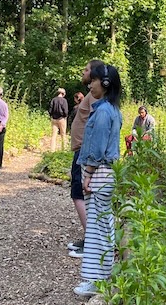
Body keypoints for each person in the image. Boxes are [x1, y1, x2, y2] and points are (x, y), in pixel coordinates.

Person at [74, 63, 122, 297]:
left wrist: (89, 175)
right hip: (103, 175)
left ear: (104, 84)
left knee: (97, 230)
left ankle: (98, 280)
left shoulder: (103, 112)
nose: (90, 84)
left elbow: (99, 147)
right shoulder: (109, 108)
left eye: (93, 81)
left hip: (99, 175)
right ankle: (98, 278)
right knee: (100, 228)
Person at [67, 60, 104, 258]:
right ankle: (90, 237)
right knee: (80, 194)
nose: (83, 72)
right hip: (82, 151)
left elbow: (97, 123)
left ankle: (91, 241)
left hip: (84, 152)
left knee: (79, 193)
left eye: (86, 70)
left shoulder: (95, 96)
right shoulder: (91, 95)